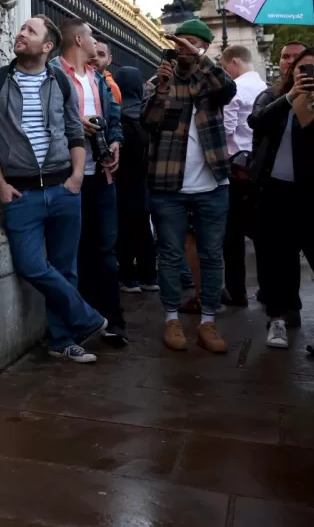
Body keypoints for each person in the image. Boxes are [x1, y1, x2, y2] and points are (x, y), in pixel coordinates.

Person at [0, 15, 107, 364]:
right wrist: (2, 186)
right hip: (21, 194)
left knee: (65, 268)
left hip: (63, 187)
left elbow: (74, 132)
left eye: (30, 31)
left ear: (47, 46)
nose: (21, 34)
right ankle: (85, 317)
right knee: (32, 265)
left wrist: (77, 177)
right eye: (22, 29)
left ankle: (62, 340)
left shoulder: (62, 83)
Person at [143, 19, 237, 354]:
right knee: (169, 255)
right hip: (169, 186)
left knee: (212, 255)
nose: (182, 48)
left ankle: (208, 321)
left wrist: (198, 57)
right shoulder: (159, 81)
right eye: (178, 42)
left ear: (202, 48)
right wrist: (164, 88)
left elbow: (227, 89)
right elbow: (149, 122)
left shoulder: (211, 80)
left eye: (190, 43)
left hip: (213, 184)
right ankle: (171, 318)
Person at [249, 46, 314, 350]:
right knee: (276, 259)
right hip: (274, 190)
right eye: (302, 68)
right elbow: (257, 121)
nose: (306, 74)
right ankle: (277, 318)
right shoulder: (273, 96)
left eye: (313, 69)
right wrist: (289, 99)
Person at [59, 20, 126, 345]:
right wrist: (74, 123)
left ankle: (113, 321)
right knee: (72, 253)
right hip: (68, 177)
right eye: (92, 36)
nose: (95, 42)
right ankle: (79, 322)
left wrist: (115, 143)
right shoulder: (55, 75)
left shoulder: (98, 79)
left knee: (104, 250)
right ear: (79, 39)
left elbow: (115, 119)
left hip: (101, 175)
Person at [219, 44, 266, 307]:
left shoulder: (235, 89)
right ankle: (268, 288)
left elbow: (225, 129)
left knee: (233, 235)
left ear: (234, 62)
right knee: (261, 234)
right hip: (259, 167)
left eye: (226, 67)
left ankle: (237, 292)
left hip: (236, 170)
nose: (226, 72)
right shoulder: (264, 87)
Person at [114, 66, 158, 293]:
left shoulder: (117, 114)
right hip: (144, 181)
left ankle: (129, 278)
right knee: (143, 230)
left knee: (124, 229)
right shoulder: (146, 113)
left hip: (122, 180)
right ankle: (149, 276)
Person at [93, 37, 123, 104]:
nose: (95, 58)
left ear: (109, 60)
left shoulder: (111, 88)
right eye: (92, 52)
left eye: (101, 54)